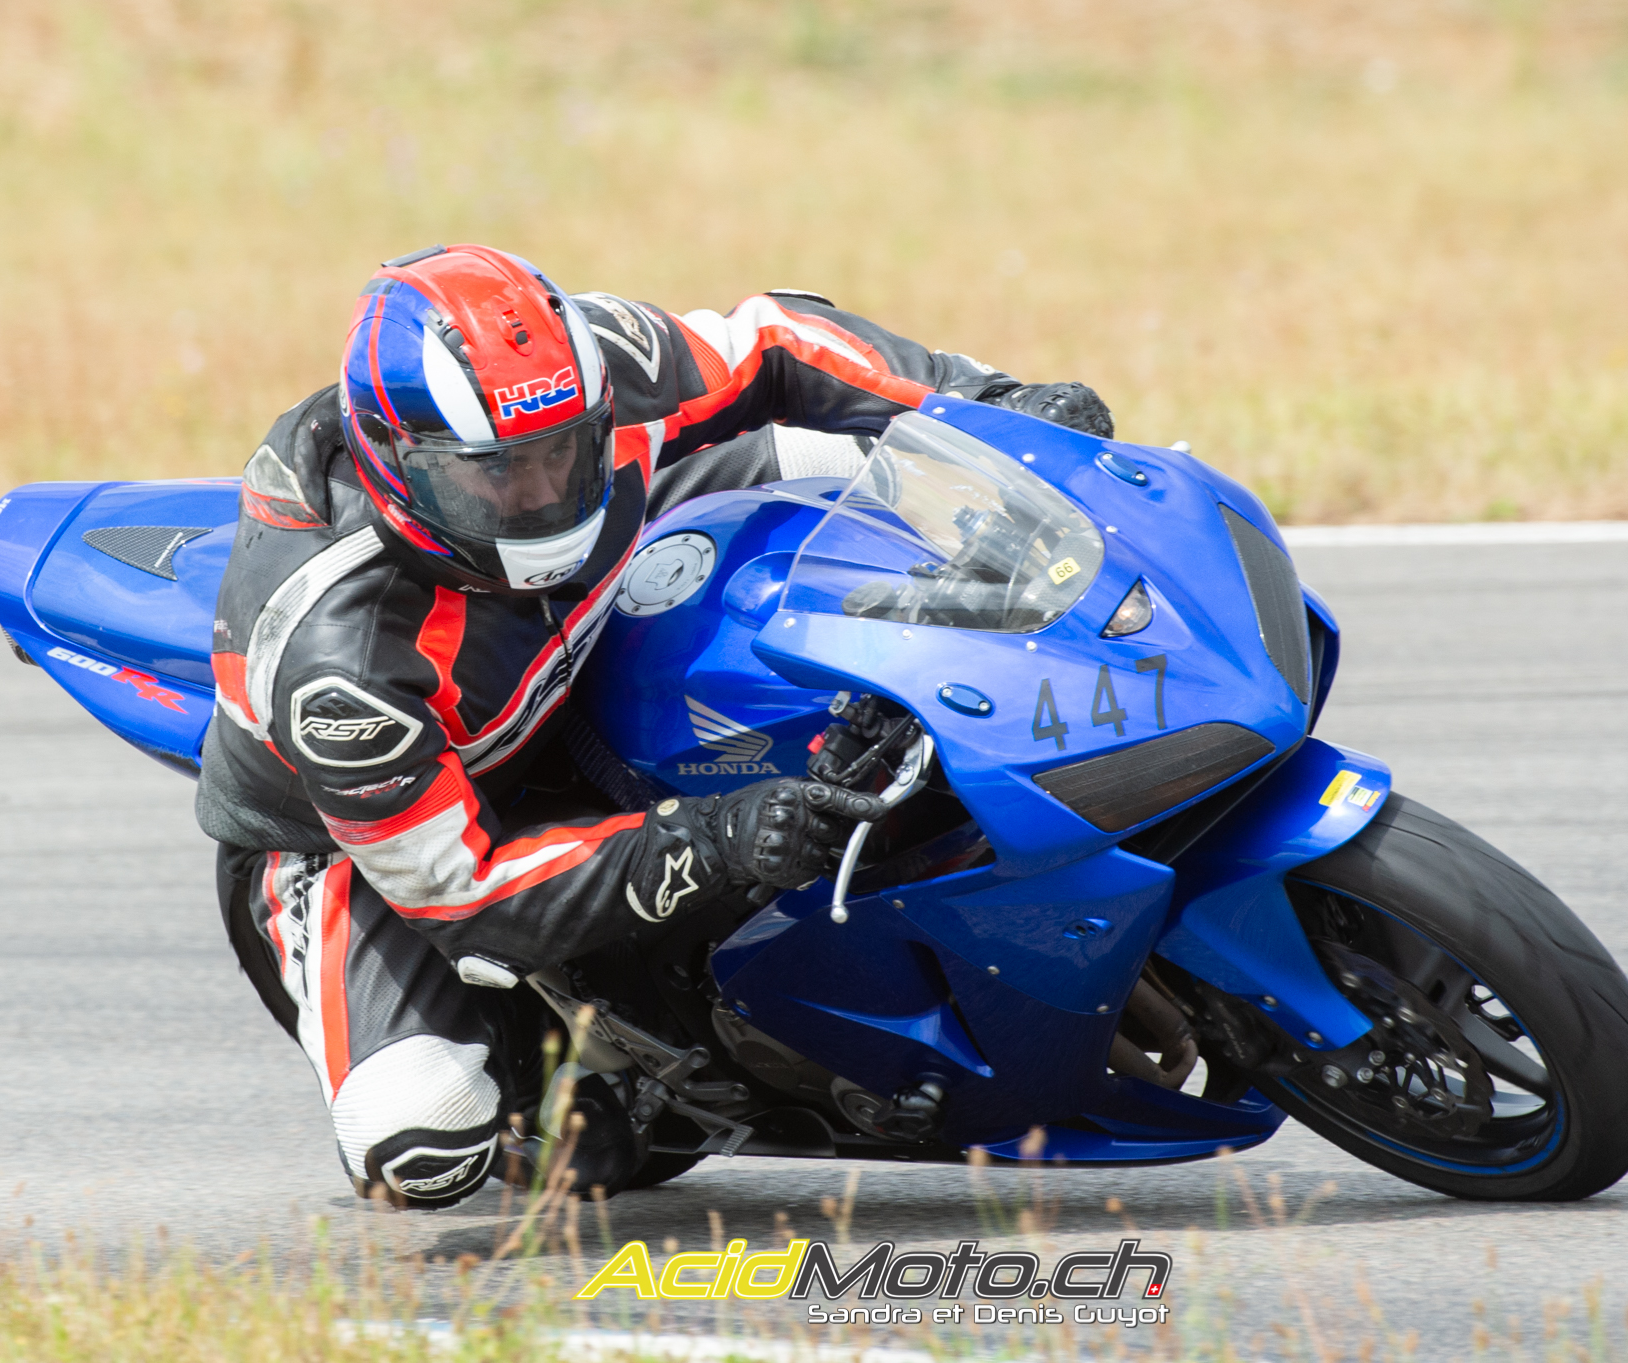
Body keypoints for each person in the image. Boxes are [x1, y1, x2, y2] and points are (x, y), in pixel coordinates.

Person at [197, 242, 1113, 1208]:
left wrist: (989, 407)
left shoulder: (578, 370)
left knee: (849, 454)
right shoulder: (344, 665)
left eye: (561, 453)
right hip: (364, 842)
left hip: (570, 646)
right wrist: (711, 838)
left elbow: (770, 344)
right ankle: (554, 1060)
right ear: (401, 465)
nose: (539, 497)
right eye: (495, 476)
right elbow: (469, 888)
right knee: (424, 1128)